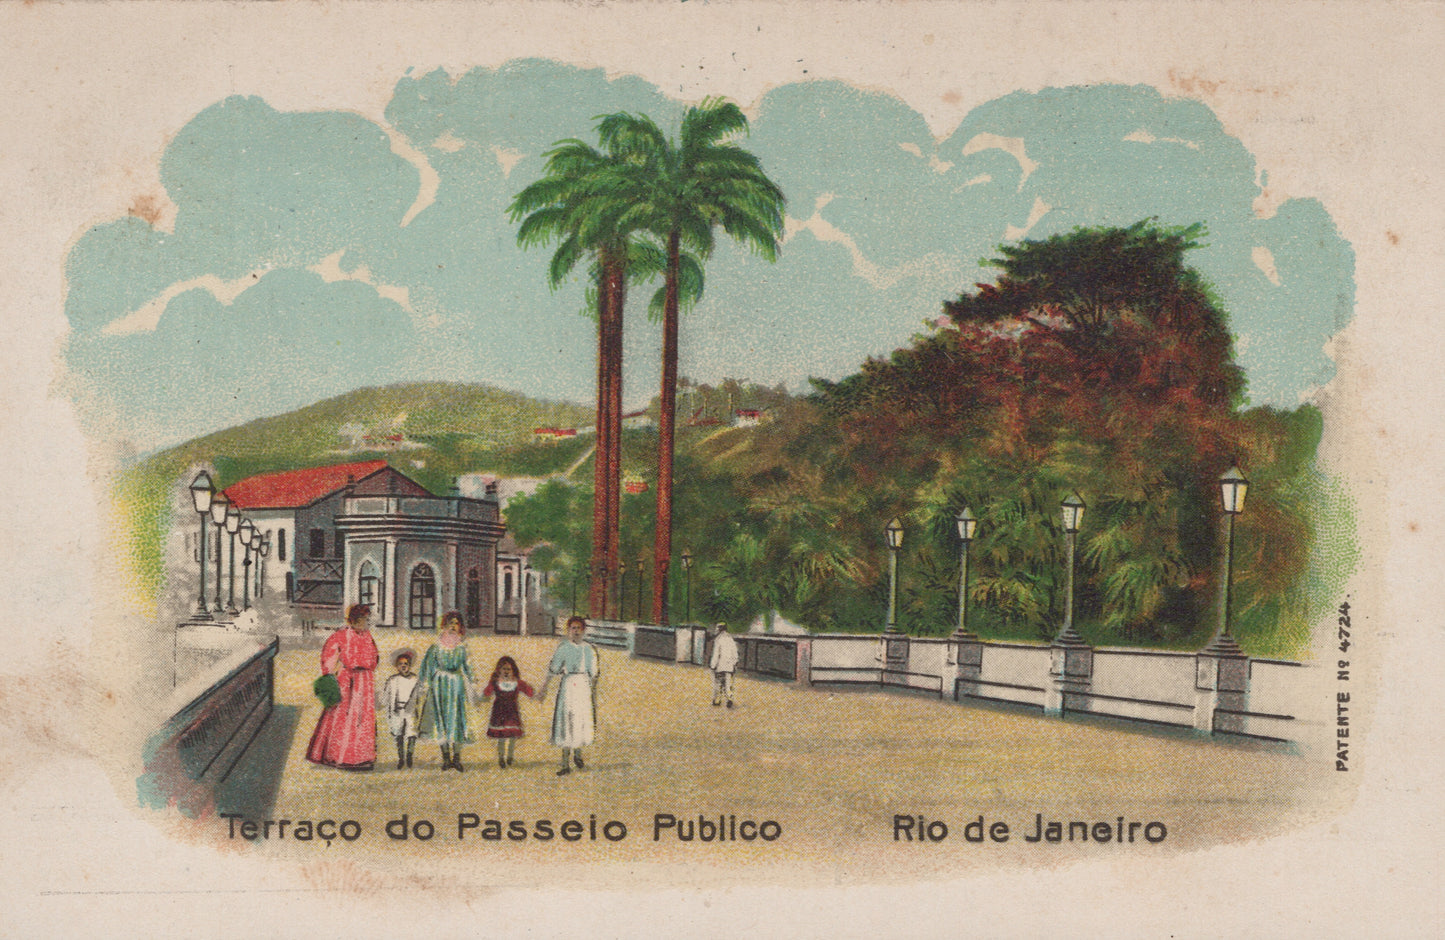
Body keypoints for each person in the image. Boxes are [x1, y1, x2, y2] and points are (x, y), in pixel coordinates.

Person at [306, 604, 380, 771]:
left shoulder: (367, 636)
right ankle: (339, 756)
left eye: (368, 620)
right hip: (347, 681)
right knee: (343, 718)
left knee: (363, 719)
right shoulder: (340, 636)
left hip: (365, 682)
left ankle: (361, 758)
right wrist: (330, 676)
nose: (367, 623)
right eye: (364, 620)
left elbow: (374, 658)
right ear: (355, 620)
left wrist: (369, 666)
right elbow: (328, 659)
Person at [539, 615, 599, 776]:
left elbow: (593, 673)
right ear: (568, 630)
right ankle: (565, 763)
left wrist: (592, 693)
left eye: (579, 628)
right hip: (568, 686)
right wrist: (544, 687)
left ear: (584, 630)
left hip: (583, 686)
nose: (576, 631)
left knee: (580, 719)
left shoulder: (589, 649)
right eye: (573, 628)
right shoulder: (563, 647)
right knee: (567, 719)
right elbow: (554, 668)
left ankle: (578, 755)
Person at [418, 611, 475, 771]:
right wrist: (423, 684)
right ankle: (446, 758)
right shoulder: (436, 647)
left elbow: (468, 667)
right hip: (439, 687)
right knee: (440, 721)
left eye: (456, 624)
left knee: (457, 720)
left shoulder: (462, 648)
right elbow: (426, 667)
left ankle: (457, 758)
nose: (453, 626)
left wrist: (473, 683)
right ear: (443, 626)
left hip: (456, 687)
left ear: (460, 628)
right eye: (450, 623)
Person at [481, 655, 535, 769]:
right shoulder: (496, 682)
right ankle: (501, 758)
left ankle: (510, 756)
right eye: (503, 669)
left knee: (512, 736)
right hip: (499, 712)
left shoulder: (517, 682)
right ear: (499, 670)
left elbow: (529, 692)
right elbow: (486, 693)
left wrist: (534, 693)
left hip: (512, 712)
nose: (506, 671)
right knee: (501, 737)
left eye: (509, 669)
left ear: (513, 670)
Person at [380, 648, 420, 770]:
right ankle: (401, 758)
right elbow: (386, 696)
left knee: (411, 734)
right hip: (397, 710)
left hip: (410, 710)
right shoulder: (393, 680)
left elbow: (420, 694)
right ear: (397, 666)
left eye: (406, 664)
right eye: (400, 664)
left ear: (410, 665)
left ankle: (409, 756)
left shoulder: (415, 679)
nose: (403, 666)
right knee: (399, 735)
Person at [709, 622, 739, 708]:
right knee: (728, 684)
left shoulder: (718, 640)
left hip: (720, 666)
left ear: (719, 629)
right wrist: (734, 663)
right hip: (729, 667)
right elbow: (735, 654)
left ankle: (717, 700)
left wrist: (712, 665)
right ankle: (729, 698)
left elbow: (716, 654)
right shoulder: (731, 639)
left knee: (718, 684)